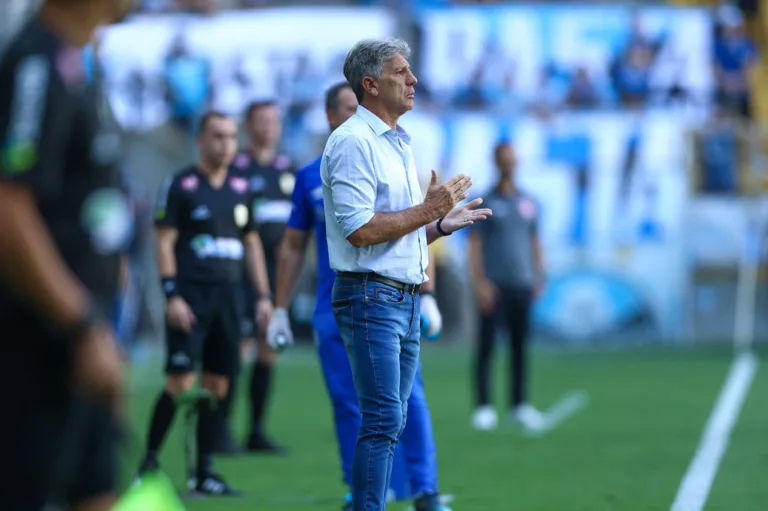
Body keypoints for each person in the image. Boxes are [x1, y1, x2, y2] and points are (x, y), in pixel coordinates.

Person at [321, 37, 492, 511]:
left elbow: (395, 229)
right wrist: (426, 210)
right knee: (382, 419)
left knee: (389, 421)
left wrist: (438, 223)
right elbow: (359, 231)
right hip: (372, 297)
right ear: (371, 85)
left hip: (398, 297)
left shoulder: (395, 141)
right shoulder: (354, 142)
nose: (413, 80)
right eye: (401, 72)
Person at [268, 82, 451, 511]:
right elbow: (293, 245)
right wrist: (279, 307)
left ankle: (425, 490)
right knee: (348, 402)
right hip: (336, 303)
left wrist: (428, 293)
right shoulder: (310, 176)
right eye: (351, 108)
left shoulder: (394, 161)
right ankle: (364, 490)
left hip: (390, 297)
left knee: (409, 396)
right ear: (332, 116)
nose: (361, 115)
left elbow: (415, 228)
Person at [0, 0, 134, 509]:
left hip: (82, 341)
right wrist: (80, 325)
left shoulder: (79, 62)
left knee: (97, 490)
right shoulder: (35, 64)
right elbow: (10, 208)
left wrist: (101, 331)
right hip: (37, 342)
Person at [137, 111, 274, 495]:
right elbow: (164, 242)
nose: (226, 144)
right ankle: (148, 463)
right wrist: (171, 294)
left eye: (231, 137)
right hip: (190, 301)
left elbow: (251, 244)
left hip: (229, 303)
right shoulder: (181, 185)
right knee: (180, 383)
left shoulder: (242, 188)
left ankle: (204, 472)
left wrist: (263, 296)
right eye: (217, 136)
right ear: (201, 140)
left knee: (218, 385)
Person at [216, 99, 295, 454]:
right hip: (242, 275)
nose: (268, 127)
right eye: (261, 121)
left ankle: (257, 430)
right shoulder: (237, 168)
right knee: (238, 348)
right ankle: (221, 430)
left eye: (273, 120)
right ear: (248, 126)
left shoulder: (287, 168)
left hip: (278, 276)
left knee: (268, 348)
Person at [468, 141, 546, 433]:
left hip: (522, 284)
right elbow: (474, 246)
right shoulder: (485, 201)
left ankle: (519, 405)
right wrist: (479, 282)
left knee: (519, 347)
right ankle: (484, 406)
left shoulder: (528, 202)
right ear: (496, 162)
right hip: (494, 285)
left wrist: (539, 274)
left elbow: (535, 241)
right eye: (504, 159)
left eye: (513, 159)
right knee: (487, 348)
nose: (509, 164)